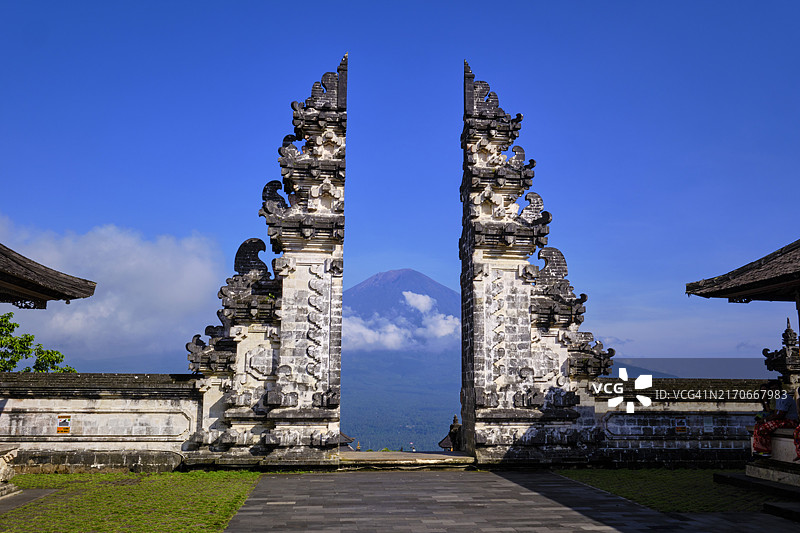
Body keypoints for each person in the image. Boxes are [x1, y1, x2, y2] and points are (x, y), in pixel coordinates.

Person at [752, 381, 799, 457]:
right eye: (772, 389)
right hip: (783, 420)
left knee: (764, 427)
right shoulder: (778, 398)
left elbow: (780, 415)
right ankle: (760, 449)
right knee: (758, 426)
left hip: (790, 421)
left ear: (780, 388)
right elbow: (775, 414)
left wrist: (765, 420)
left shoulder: (785, 398)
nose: (774, 391)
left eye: (775, 388)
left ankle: (766, 450)